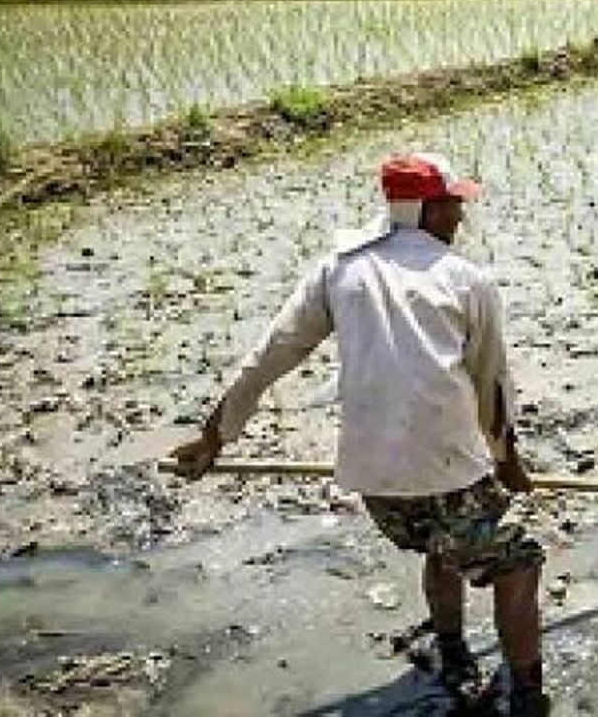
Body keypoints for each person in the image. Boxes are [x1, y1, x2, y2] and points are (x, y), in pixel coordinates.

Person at [171, 152, 549, 715]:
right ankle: (528, 697)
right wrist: (508, 460)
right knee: (519, 560)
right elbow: (491, 384)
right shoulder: (468, 280)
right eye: (453, 206)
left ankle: (452, 652)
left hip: (376, 486)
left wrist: (214, 436)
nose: (461, 218)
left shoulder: (338, 270)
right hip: (448, 469)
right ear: (427, 210)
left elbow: (273, 354)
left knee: (441, 542)